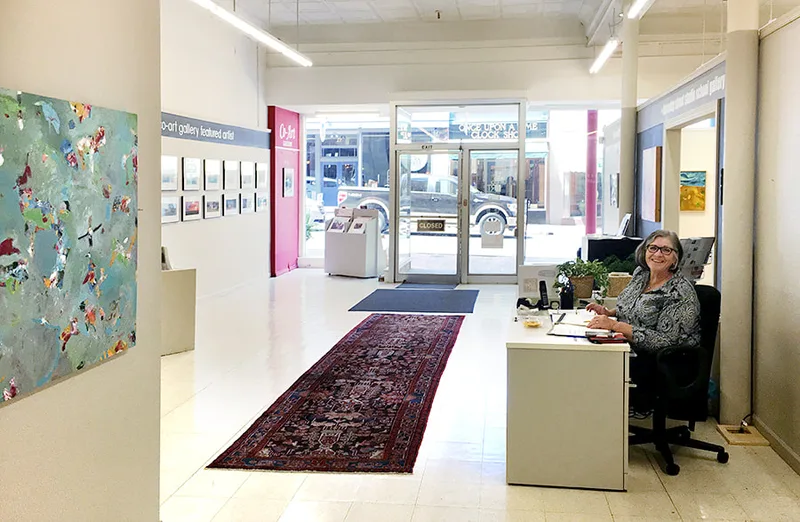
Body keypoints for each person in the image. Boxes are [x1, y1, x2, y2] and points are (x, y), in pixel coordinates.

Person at [586, 229, 701, 410]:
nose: (658, 254)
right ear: (645, 250)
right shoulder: (641, 274)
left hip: (665, 362)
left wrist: (615, 325)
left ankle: (605, 419)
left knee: (598, 365)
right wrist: (609, 313)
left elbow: (666, 341)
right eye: (653, 248)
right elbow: (635, 309)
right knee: (589, 354)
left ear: (675, 258)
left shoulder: (679, 291)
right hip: (632, 348)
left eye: (666, 250)